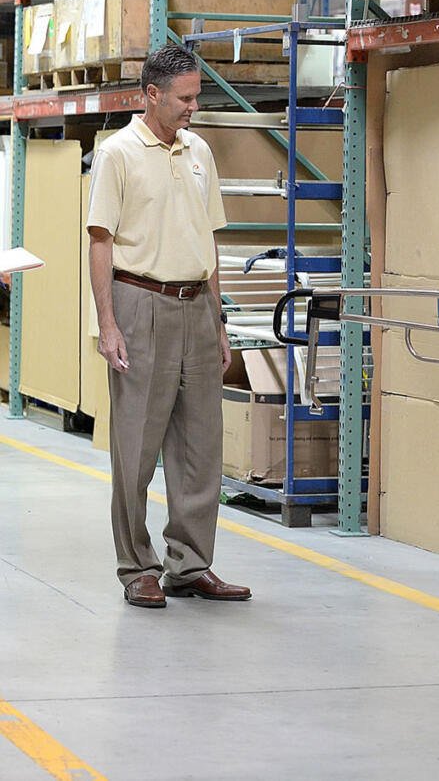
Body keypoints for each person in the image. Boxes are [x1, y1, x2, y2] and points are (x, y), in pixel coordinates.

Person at [87, 44, 251, 609]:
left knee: (201, 446)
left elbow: (210, 242)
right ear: (151, 95)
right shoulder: (117, 153)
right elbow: (100, 242)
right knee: (136, 446)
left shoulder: (200, 149)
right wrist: (107, 325)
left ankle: (190, 564)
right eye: (183, 98)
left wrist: (220, 318)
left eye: (196, 97)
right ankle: (137, 566)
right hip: (140, 303)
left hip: (196, 308)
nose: (192, 108)